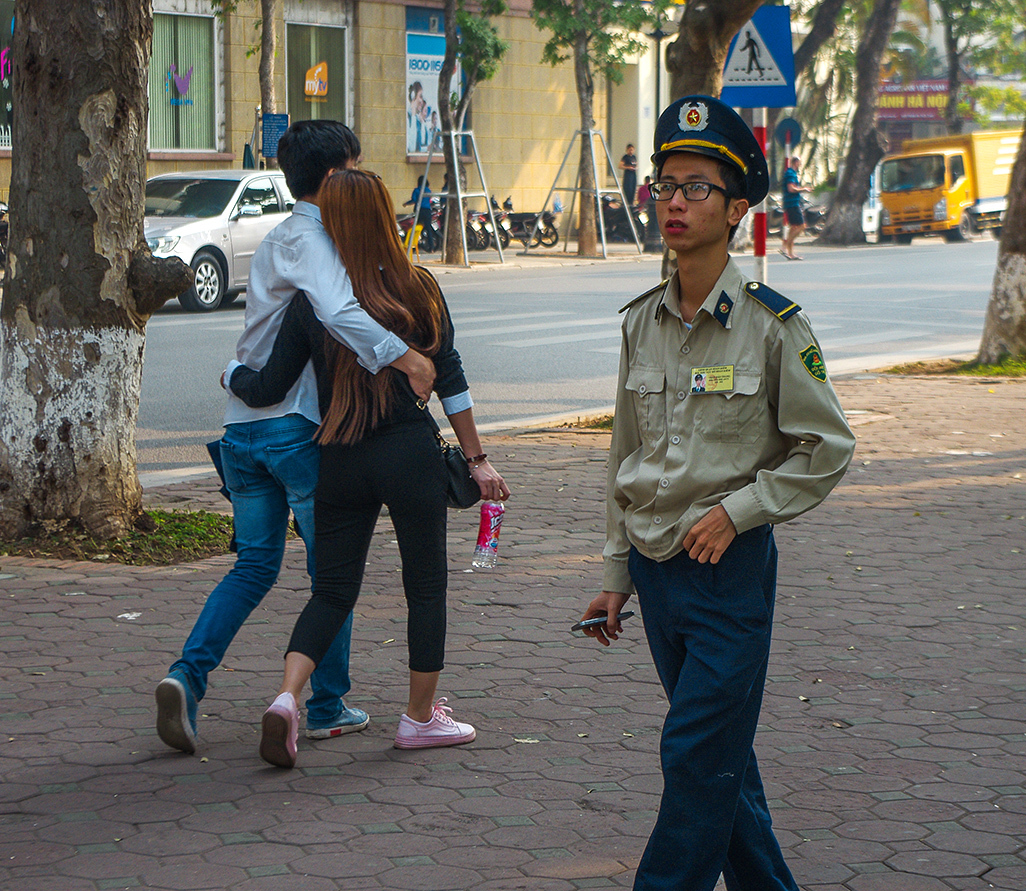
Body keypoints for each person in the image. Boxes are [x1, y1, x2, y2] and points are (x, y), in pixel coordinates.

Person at [579, 95, 856, 891]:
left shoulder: (773, 326)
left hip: (728, 578)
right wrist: (615, 572)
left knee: (694, 752)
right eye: (666, 183)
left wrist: (741, 511)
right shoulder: (641, 322)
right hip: (659, 576)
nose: (673, 200)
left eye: (696, 187)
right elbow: (624, 453)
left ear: (736, 209)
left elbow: (827, 446)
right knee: (722, 760)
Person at [155, 121, 436, 755]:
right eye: (357, 164)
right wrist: (406, 358)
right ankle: (328, 705)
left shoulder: (280, 235)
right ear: (338, 174)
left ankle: (186, 676)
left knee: (253, 565)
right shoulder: (315, 241)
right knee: (330, 577)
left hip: (242, 427)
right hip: (294, 427)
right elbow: (337, 313)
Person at [226, 169, 509, 770]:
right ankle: (420, 718)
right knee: (425, 586)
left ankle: (286, 698)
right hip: (410, 455)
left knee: (331, 589)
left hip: (340, 454)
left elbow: (269, 384)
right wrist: (478, 460)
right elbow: (451, 378)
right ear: (387, 218)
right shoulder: (420, 287)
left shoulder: (314, 305)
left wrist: (231, 376)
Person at [779, 156, 810, 260]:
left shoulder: (791, 173)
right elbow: (791, 189)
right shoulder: (790, 173)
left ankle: (791, 253)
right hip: (792, 203)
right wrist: (803, 189)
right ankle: (785, 245)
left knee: (794, 227)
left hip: (792, 203)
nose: (800, 165)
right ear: (795, 162)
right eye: (799, 162)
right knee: (802, 226)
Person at [620, 143, 638, 209]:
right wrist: (628, 167)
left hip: (633, 175)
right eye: (630, 150)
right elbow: (620, 166)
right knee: (628, 189)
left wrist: (635, 168)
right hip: (628, 175)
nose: (631, 151)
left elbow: (636, 164)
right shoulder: (625, 157)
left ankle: (631, 203)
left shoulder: (634, 157)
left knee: (633, 189)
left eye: (632, 150)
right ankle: (626, 203)